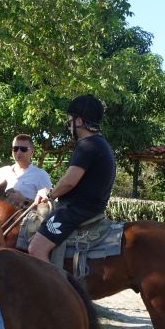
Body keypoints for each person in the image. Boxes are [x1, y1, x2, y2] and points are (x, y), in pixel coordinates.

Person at [27, 94, 115, 263]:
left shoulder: (86, 145)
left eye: (70, 121)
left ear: (79, 121)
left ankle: (53, 289)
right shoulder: (101, 144)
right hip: (91, 209)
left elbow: (69, 181)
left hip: (74, 211)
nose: (69, 126)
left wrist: (50, 194)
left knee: (36, 248)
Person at [0, 134, 51, 207]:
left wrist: (23, 199)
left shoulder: (40, 175)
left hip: (28, 218)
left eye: (23, 149)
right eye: (15, 148)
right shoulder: (2, 172)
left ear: (32, 152)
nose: (18, 152)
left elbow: (48, 206)